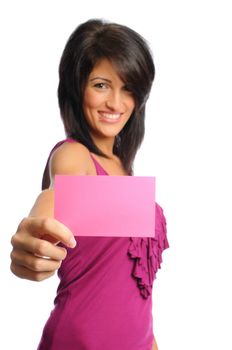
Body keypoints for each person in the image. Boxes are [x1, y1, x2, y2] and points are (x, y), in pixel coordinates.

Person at [10, 19, 169, 350]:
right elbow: (52, 200)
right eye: (101, 85)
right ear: (76, 86)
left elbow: (134, 291)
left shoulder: (125, 169)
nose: (116, 103)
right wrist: (31, 242)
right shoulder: (74, 155)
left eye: (128, 88)